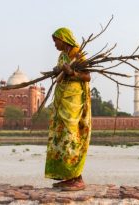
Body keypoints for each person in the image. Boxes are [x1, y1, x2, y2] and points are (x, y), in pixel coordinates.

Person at [45, 27, 91, 191]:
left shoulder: (77, 54)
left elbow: (87, 76)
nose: (55, 44)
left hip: (73, 103)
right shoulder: (62, 55)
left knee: (72, 138)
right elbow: (61, 72)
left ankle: (77, 178)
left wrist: (71, 72)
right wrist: (58, 70)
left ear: (63, 39)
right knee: (62, 139)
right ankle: (68, 177)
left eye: (56, 40)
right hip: (62, 102)